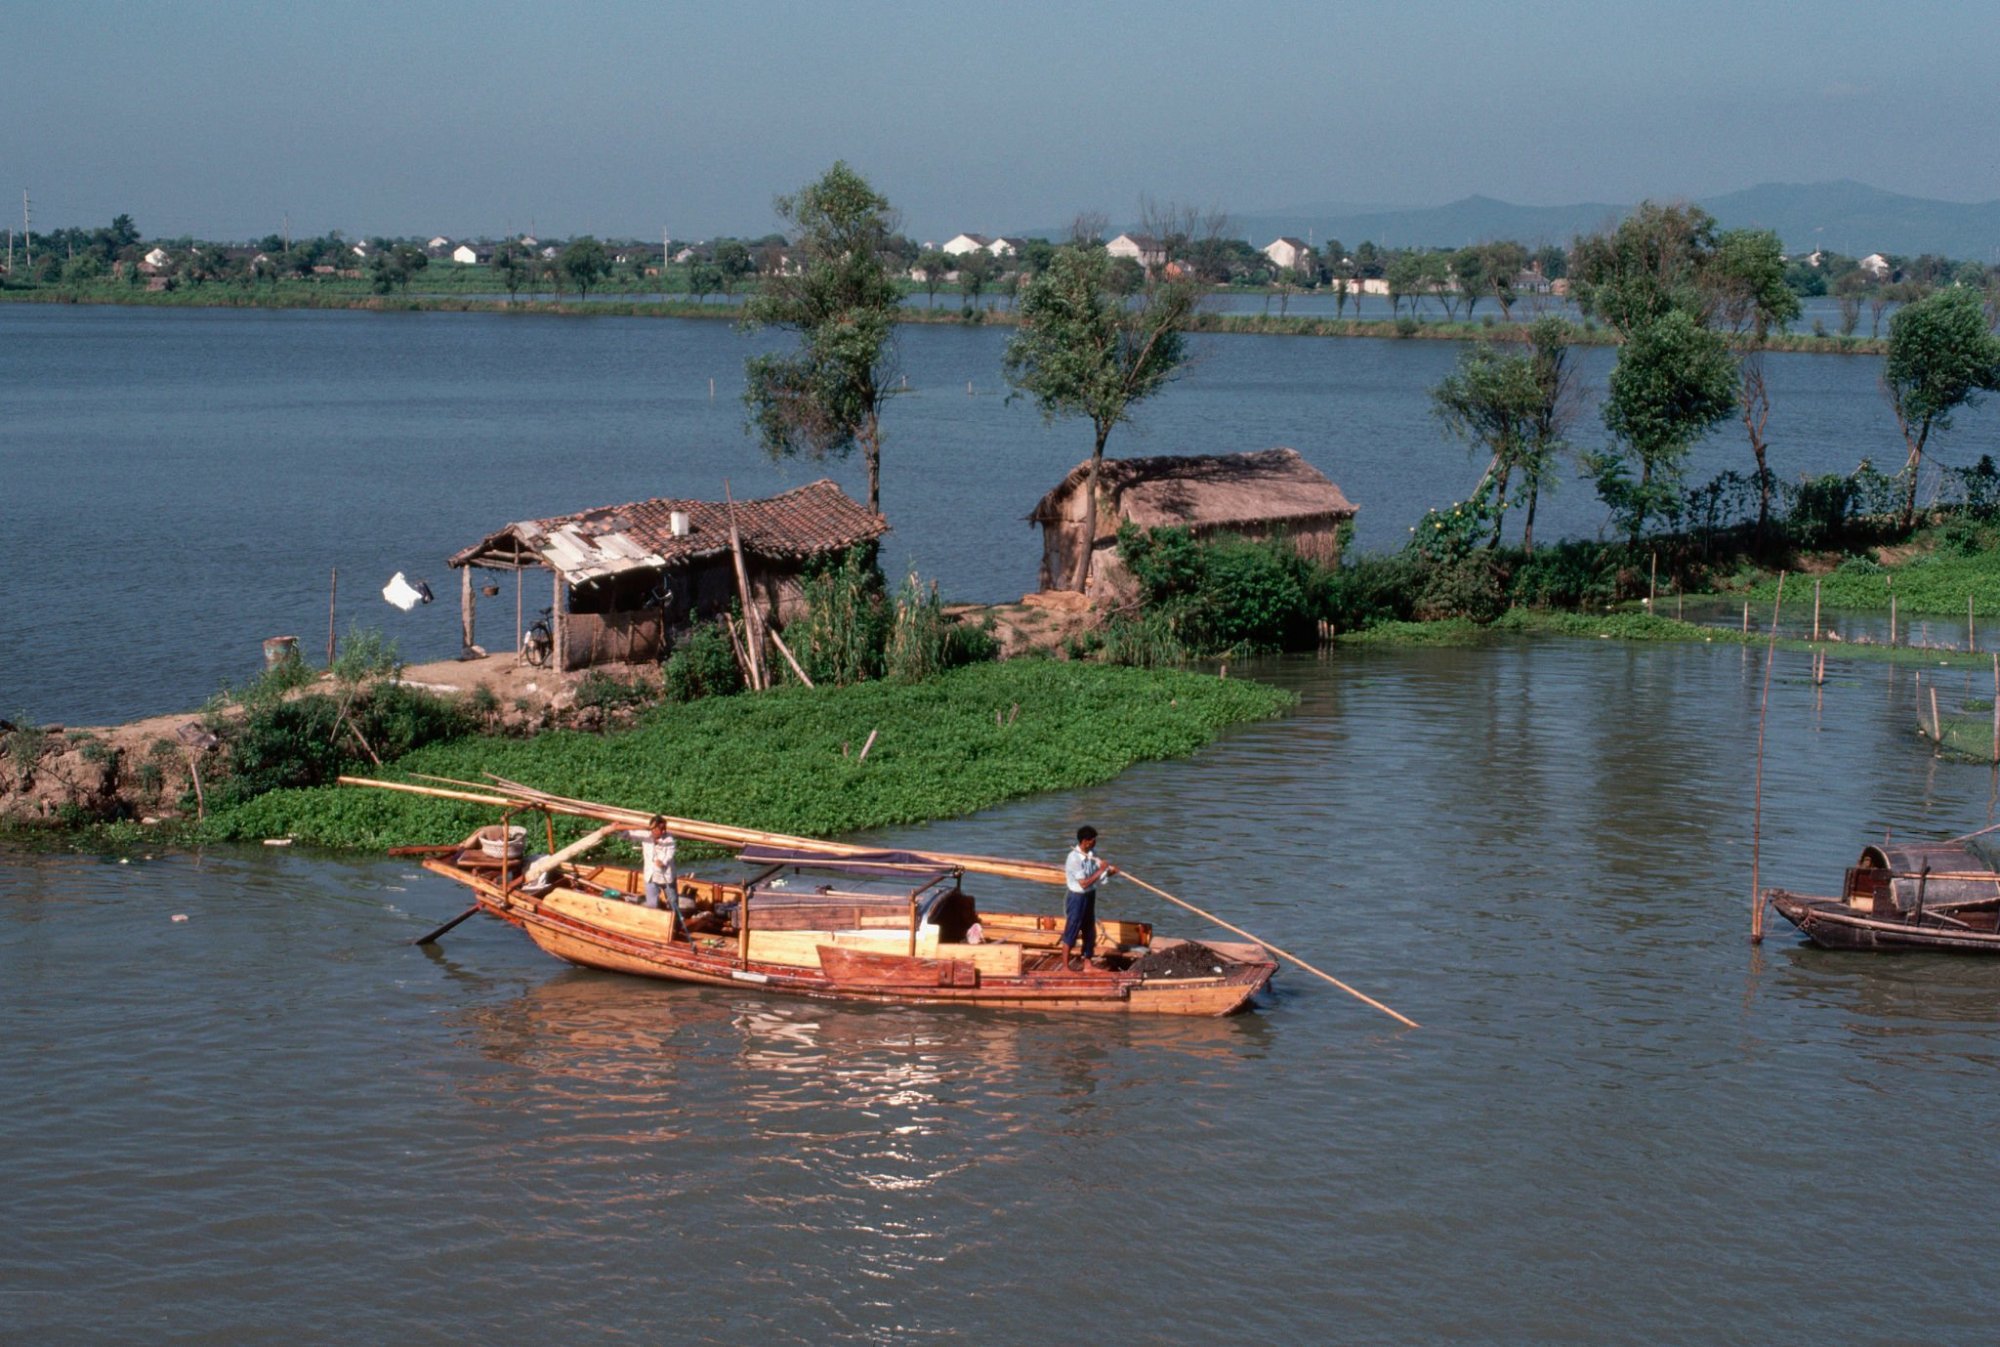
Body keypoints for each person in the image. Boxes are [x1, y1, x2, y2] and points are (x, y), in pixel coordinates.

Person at [1062, 825, 1118, 968]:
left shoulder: (1092, 853)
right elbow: (1084, 884)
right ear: (1085, 841)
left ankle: (1087, 964)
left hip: (1089, 896)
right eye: (1093, 840)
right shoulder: (1074, 858)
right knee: (1072, 930)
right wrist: (1101, 870)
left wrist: (1110, 872)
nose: (1095, 842)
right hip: (1077, 897)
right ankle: (1065, 967)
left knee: (1089, 930)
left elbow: (1097, 876)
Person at [621, 815, 679, 926]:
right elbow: (626, 835)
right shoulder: (645, 835)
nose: (662, 832)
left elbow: (669, 855)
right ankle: (654, 925)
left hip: (666, 876)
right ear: (652, 828)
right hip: (650, 876)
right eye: (659, 829)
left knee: (673, 902)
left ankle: (675, 924)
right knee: (652, 904)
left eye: (663, 829)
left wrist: (663, 862)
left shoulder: (669, 839)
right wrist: (619, 828)